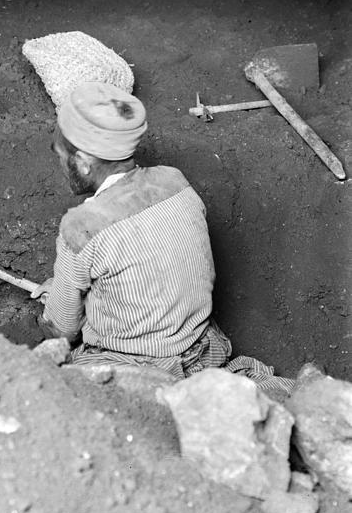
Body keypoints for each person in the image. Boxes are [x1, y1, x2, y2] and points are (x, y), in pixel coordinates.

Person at [32, 80, 294, 398]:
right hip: (203, 352)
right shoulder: (175, 181)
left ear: (84, 161)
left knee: (51, 391)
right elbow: (145, 268)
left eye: (62, 156)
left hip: (136, 369)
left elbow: (62, 331)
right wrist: (66, 289)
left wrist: (55, 307)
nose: (61, 165)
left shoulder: (82, 227)